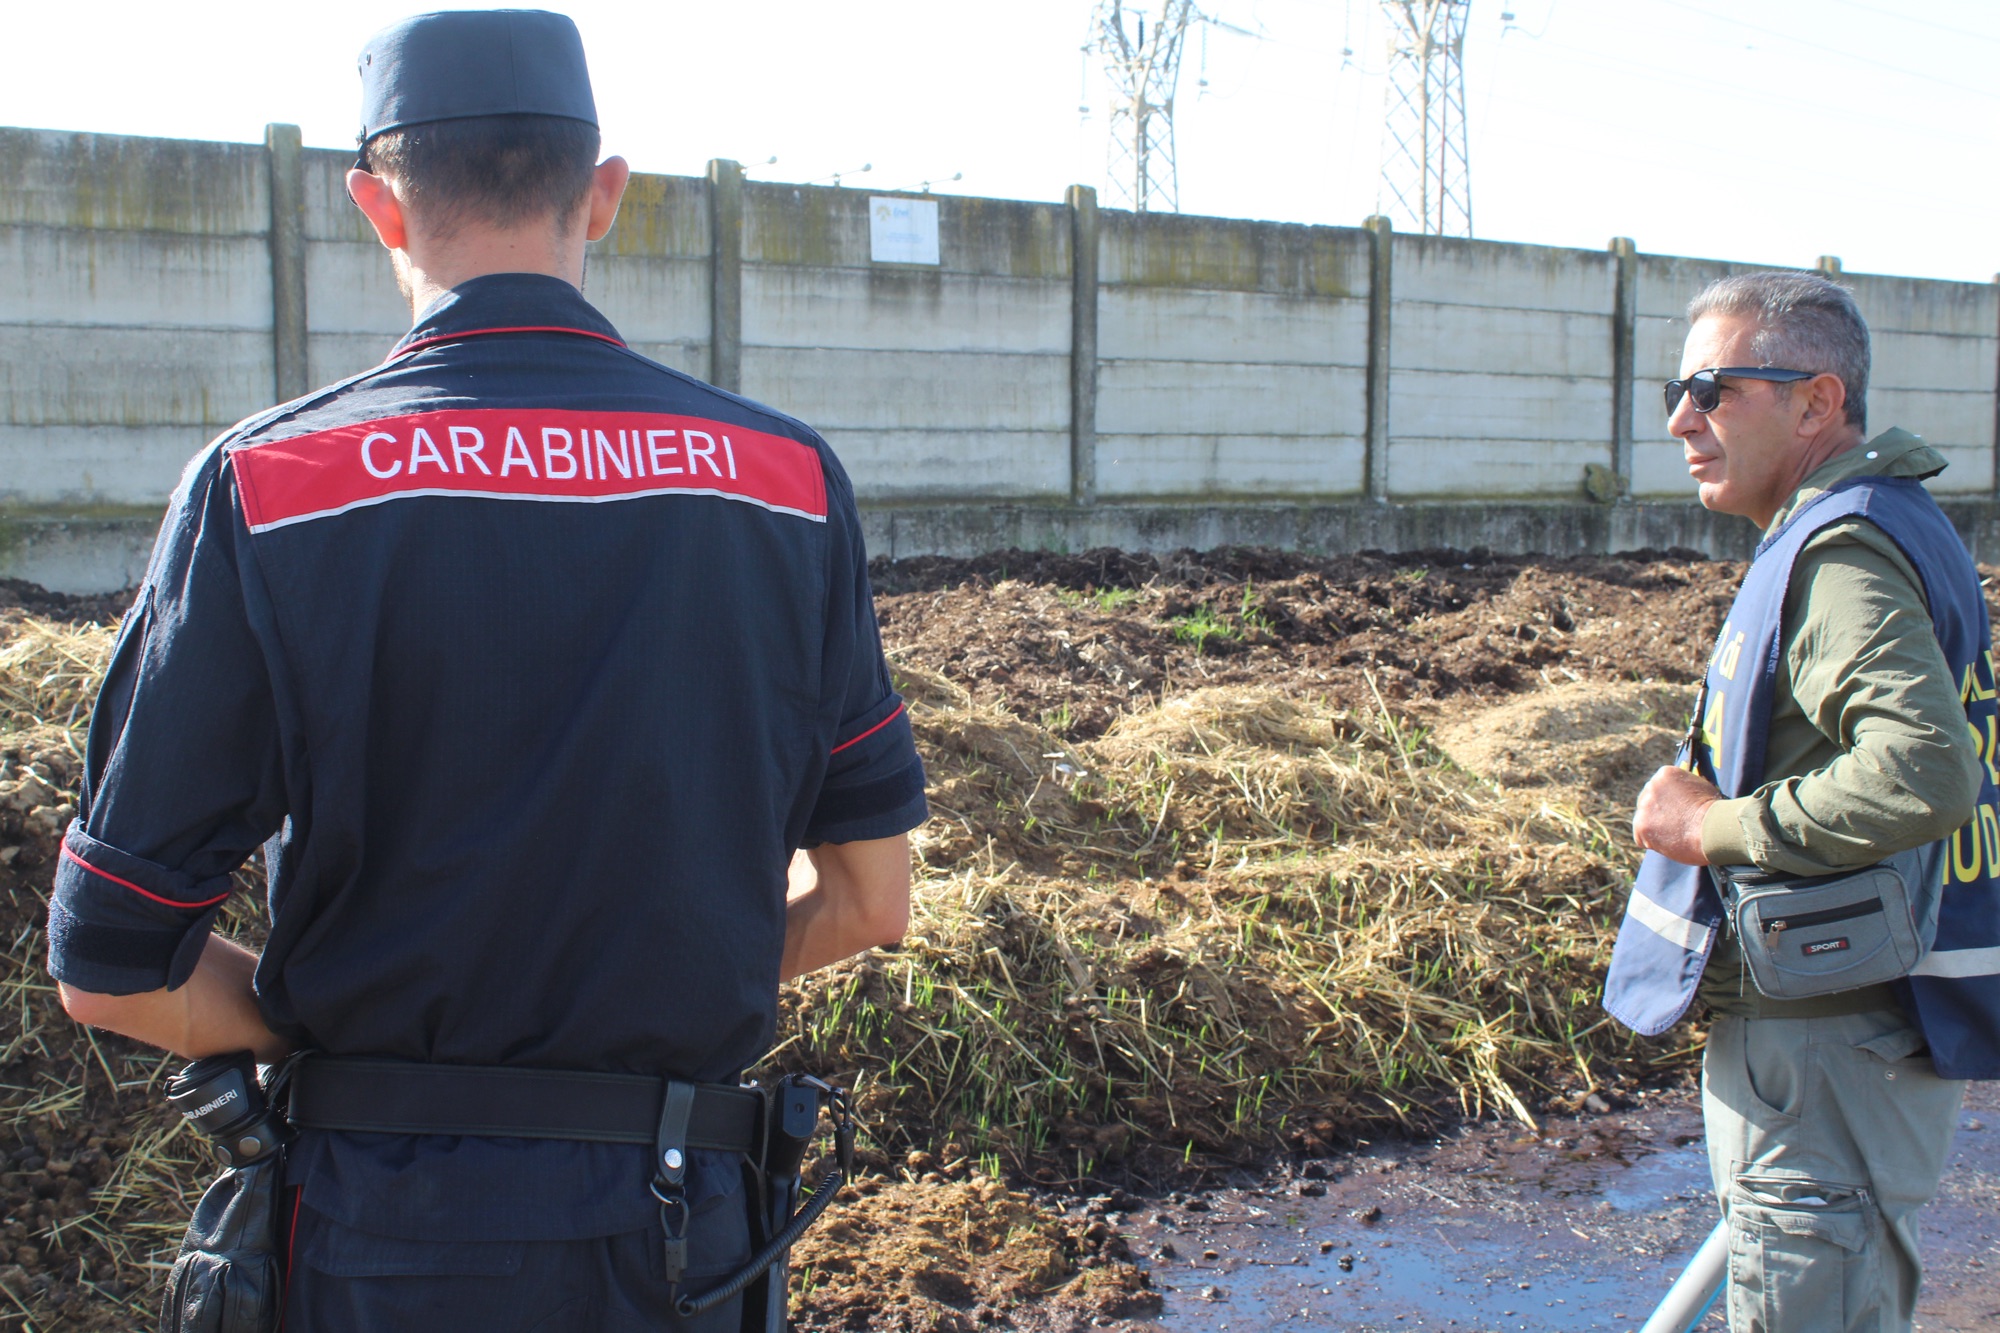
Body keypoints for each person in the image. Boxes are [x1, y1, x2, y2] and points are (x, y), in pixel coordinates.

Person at [43, 10, 927, 1329]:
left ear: (376, 209)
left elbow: (110, 966)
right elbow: (870, 902)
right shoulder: (784, 486)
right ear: (606, 195)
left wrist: (317, 1022)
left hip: (376, 1239)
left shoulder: (269, 491)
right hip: (685, 1239)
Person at [1605, 270, 2000, 1332]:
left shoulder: (1841, 551)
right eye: (1676, 390)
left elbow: (1922, 768)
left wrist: (1705, 827)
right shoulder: (1870, 523)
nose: (1680, 418)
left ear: (1816, 403)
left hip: (1828, 1052)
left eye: (1713, 388)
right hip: (1842, 1049)